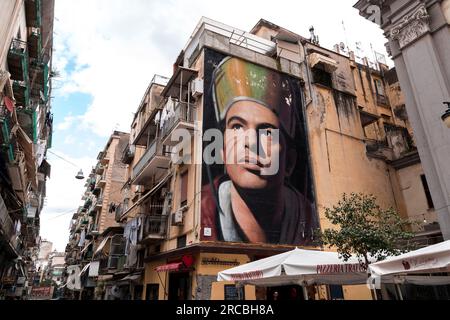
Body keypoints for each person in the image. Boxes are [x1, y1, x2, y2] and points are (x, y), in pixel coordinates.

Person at [201, 56, 317, 245]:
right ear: (222, 150)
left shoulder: (312, 223)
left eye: (267, 132)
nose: (251, 142)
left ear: (289, 161)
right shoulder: (202, 211)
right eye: (237, 127)